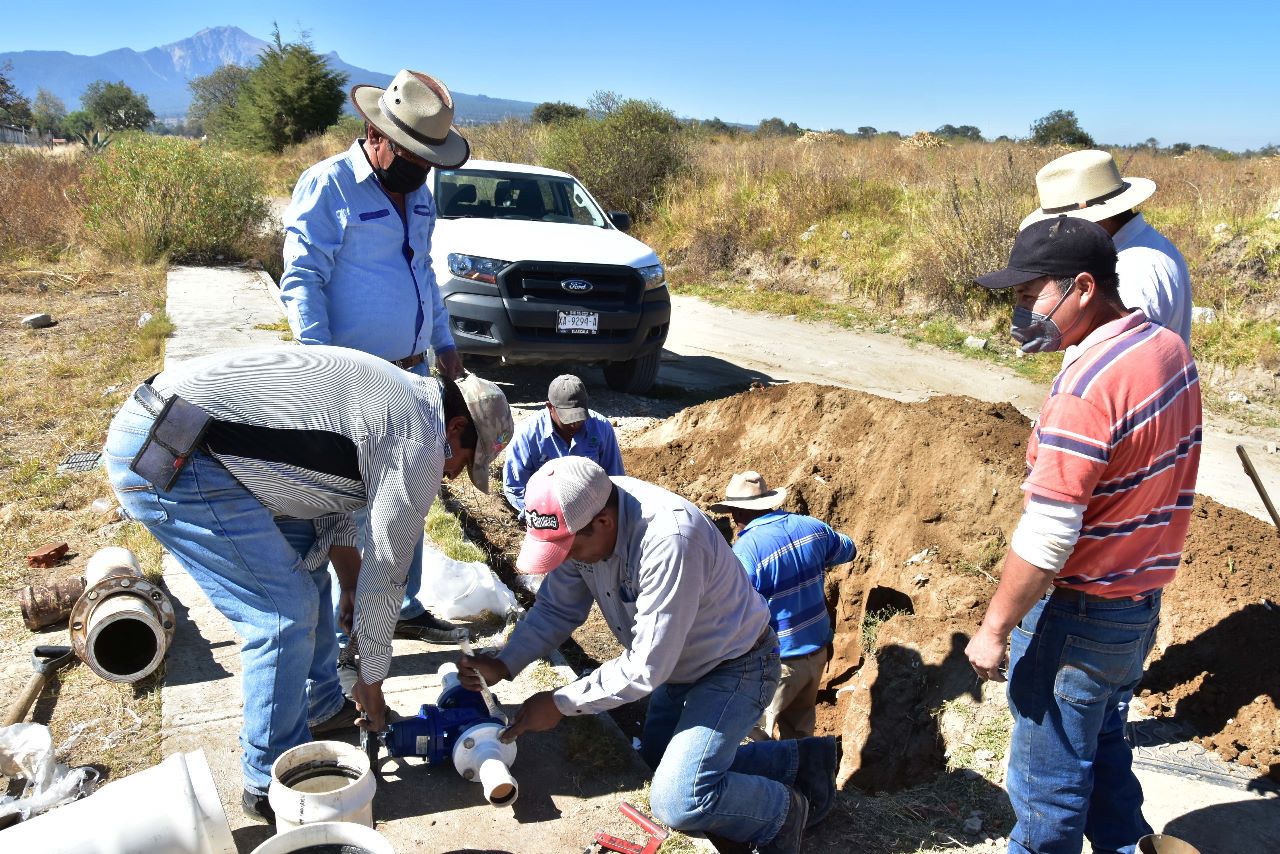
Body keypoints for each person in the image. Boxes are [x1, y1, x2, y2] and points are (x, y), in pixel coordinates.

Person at [102, 346, 513, 823]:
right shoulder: (418, 440)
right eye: (463, 462)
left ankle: (319, 704)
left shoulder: (407, 404)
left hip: (203, 443)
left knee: (307, 564)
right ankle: (266, 779)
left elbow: (324, 488)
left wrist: (350, 581)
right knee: (284, 612)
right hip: (173, 450)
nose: (452, 474)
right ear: (455, 429)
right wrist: (372, 682)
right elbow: (387, 576)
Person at [965, 217, 1201, 854]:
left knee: (1049, 795)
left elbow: (1048, 534)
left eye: (1030, 294)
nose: (1021, 312)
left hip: (1078, 614)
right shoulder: (1166, 349)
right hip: (1137, 604)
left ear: (1085, 287)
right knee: (1100, 749)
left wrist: (993, 630)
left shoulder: (1088, 388)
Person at [459, 457, 839, 852]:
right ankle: (802, 761)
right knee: (656, 763)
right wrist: (504, 662)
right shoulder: (583, 511)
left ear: (604, 523)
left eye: (570, 550)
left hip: (737, 664)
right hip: (679, 667)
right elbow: (557, 609)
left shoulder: (669, 539)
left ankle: (783, 811)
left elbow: (646, 665)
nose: (566, 560)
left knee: (678, 800)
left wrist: (559, 703)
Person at [279, 69, 473, 645]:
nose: (420, 172)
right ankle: (349, 634)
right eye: (412, 157)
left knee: (408, 500)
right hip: (353, 382)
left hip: (413, 376)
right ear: (375, 134)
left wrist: (443, 342)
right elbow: (303, 278)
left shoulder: (420, 194)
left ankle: (402, 607)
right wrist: (321, 368)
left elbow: (424, 273)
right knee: (352, 509)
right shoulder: (329, 185)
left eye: (429, 161)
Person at [710, 471, 856, 740]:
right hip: (817, 653)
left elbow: (731, 609)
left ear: (737, 513)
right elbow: (848, 549)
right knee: (800, 731)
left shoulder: (747, 551)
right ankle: (807, 768)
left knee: (752, 732)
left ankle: (775, 767)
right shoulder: (812, 528)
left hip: (779, 663)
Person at [1021, 149, 1192, 344]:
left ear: (1093, 219)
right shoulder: (1152, 245)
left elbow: (1123, 355)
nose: (1061, 234)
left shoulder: (1128, 272)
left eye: (1063, 225)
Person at [502, 374, 625, 516]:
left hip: (591, 510)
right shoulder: (526, 434)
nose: (574, 424)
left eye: (579, 417)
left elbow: (616, 479)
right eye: (568, 418)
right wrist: (535, 515)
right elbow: (515, 487)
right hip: (544, 510)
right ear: (550, 407)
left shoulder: (601, 428)